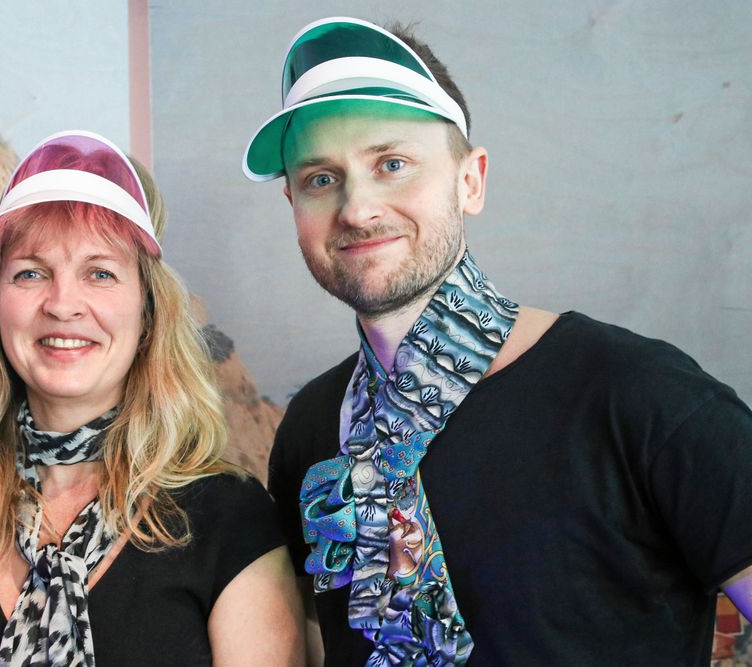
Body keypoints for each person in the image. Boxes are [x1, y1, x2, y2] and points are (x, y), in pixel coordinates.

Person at [244, 16, 752, 666]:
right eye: (320, 178)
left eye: (392, 164)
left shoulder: (639, 395)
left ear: (471, 181)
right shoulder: (312, 428)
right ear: (293, 205)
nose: (357, 208)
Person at [0, 130, 305, 666]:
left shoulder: (228, 519)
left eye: (100, 273)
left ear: (147, 311)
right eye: (30, 272)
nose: (63, 304)